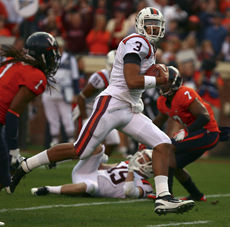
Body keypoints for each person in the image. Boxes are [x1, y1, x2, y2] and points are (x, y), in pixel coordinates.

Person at [9, 7, 195, 215]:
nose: (153, 28)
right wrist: (159, 79)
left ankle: (163, 198)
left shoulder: (149, 49)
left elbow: (139, 80)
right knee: (80, 150)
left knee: (163, 144)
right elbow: (132, 80)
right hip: (113, 105)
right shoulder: (137, 41)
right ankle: (25, 167)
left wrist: (155, 75)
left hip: (130, 108)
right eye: (149, 23)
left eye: (157, 24)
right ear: (140, 24)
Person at [0, 31, 61, 190]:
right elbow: (12, 114)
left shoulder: (11, 60)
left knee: (5, 177)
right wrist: (14, 152)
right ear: (42, 55)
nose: (53, 59)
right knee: (5, 173)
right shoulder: (36, 76)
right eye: (51, 54)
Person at [152, 66, 220, 201]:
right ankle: (196, 195)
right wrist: (143, 137)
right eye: (162, 81)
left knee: (168, 148)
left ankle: (166, 195)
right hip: (197, 133)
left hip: (208, 132)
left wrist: (186, 131)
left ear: (175, 81)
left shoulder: (184, 93)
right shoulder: (162, 101)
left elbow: (204, 117)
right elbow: (157, 123)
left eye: (167, 81)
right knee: (175, 165)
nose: (163, 84)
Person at [31, 148, 154, 199]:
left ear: (150, 168)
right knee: (98, 148)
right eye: (142, 155)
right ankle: (57, 160)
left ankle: (47, 189)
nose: (139, 158)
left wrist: (131, 171)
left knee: (90, 186)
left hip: (92, 186)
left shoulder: (145, 185)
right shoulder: (128, 163)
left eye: (145, 159)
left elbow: (129, 192)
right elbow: (103, 167)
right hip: (88, 173)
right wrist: (100, 160)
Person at [72, 50, 120, 156]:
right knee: (81, 146)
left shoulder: (122, 78)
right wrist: (85, 119)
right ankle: (57, 158)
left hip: (103, 112)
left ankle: (100, 163)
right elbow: (81, 97)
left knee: (113, 141)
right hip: (87, 110)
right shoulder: (101, 77)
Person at [42, 38, 80, 148]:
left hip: (64, 93)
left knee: (67, 117)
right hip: (50, 91)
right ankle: (54, 141)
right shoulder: (48, 58)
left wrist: (76, 93)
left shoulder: (70, 59)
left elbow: (75, 77)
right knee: (52, 118)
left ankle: (71, 140)